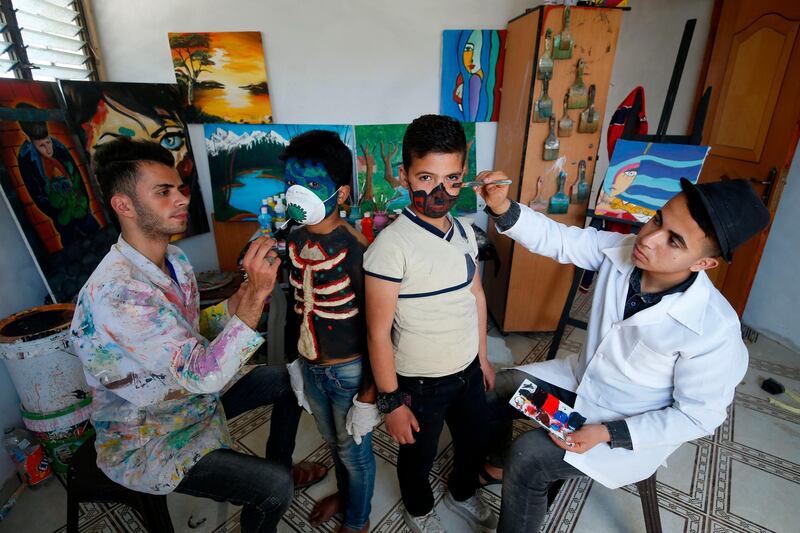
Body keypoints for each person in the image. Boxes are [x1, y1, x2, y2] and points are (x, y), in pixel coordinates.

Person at [476, 170, 771, 532]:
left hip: (622, 425)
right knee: (497, 388)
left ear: (704, 263)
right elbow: (561, 240)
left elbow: (698, 417)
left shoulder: (714, 330)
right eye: (657, 219)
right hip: (578, 387)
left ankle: (515, 473)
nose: (648, 238)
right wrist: (503, 207)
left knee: (529, 457)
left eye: (674, 241)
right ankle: (493, 467)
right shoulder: (622, 250)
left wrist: (606, 433)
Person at [70, 138, 325, 533]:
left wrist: (239, 300)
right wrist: (257, 294)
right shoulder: (117, 293)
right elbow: (204, 374)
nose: (182, 199)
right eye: (163, 192)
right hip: (149, 432)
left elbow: (193, 331)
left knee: (287, 379)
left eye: (180, 188)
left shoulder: (174, 259)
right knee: (273, 489)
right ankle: (273, 482)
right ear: (123, 205)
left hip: (192, 402)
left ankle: (278, 466)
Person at [364, 114, 498, 533]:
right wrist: (391, 402)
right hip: (420, 383)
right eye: (426, 177)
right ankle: (419, 509)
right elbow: (377, 332)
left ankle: (462, 492)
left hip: (468, 372)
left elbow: (475, 295)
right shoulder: (391, 248)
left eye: (452, 179)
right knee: (417, 456)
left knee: (472, 442)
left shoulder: (463, 230)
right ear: (403, 176)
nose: (439, 191)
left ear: (463, 179)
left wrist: (484, 358)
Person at [281, 130, 378, 533]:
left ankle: (358, 521)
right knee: (336, 444)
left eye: (313, 184)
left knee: (355, 451)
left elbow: (379, 326)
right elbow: (293, 306)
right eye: (292, 183)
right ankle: (346, 495)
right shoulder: (293, 237)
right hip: (311, 367)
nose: (298, 193)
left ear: (339, 194)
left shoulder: (358, 248)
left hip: (348, 371)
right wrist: (293, 366)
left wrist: (369, 396)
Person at [16, 103, 106, 251]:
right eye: (41, 146)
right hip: (60, 215)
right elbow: (35, 193)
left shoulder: (58, 147)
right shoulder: (25, 158)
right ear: (28, 139)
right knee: (72, 246)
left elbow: (77, 176)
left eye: (48, 142)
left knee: (98, 235)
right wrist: (57, 212)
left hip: (80, 206)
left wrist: (83, 203)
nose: (48, 149)